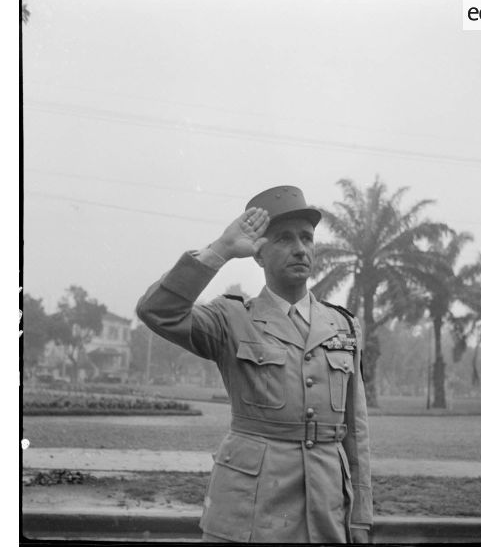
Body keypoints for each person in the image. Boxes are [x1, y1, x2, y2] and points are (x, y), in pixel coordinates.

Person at [136, 185, 373, 543]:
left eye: (307, 238)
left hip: (326, 509)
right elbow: (157, 311)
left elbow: (355, 432)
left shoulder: (343, 326)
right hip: (249, 510)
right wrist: (221, 250)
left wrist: (360, 518)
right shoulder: (230, 319)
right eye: (283, 239)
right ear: (258, 254)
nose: (299, 248)